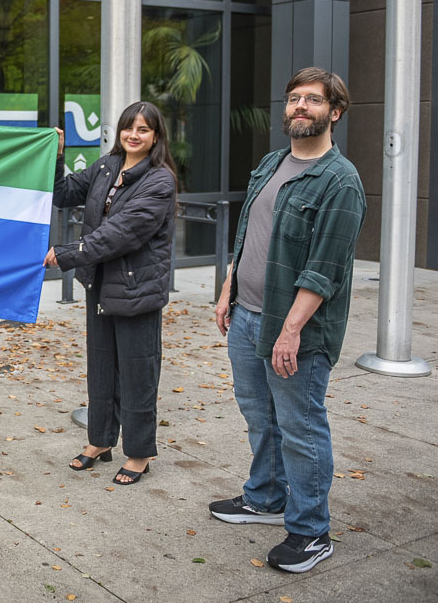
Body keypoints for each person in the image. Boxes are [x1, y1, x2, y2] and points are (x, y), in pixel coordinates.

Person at [209, 67, 365, 573]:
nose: (300, 107)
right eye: (294, 98)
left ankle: (311, 531)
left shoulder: (340, 181)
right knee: (260, 419)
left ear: (334, 113)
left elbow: (325, 269)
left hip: (294, 330)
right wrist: (228, 289)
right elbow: (248, 233)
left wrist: (291, 330)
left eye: (313, 101)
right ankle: (265, 498)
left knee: (301, 429)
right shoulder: (272, 162)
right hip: (247, 316)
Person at [45, 101, 178, 486]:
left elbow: (121, 233)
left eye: (143, 130)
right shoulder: (106, 166)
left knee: (138, 374)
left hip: (137, 289)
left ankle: (139, 453)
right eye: (128, 128)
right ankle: (99, 442)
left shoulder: (159, 180)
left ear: (156, 137)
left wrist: (68, 254)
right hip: (101, 286)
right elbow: (62, 192)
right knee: (102, 370)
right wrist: (55, 155)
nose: (134, 135)